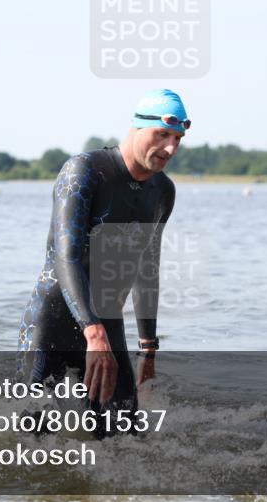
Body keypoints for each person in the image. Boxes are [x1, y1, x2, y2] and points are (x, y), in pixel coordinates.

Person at [17, 89, 185, 425]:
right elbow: (68, 256)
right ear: (137, 127)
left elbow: (146, 267)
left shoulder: (162, 191)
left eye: (178, 138)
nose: (170, 148)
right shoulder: (84, 171)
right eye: (162, 134)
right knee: (30, 438)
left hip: (107, 323)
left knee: (125, 439)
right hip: (54, 318)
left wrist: (147, 352)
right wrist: (93, 334)